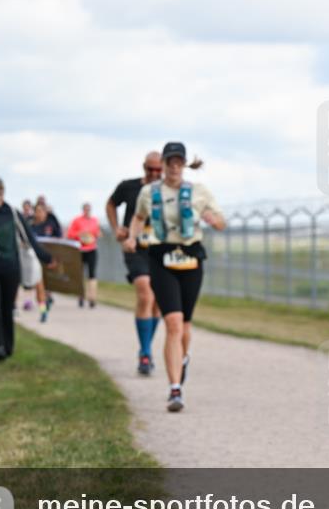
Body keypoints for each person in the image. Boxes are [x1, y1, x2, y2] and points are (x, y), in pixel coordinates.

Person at [124, 142, 224, 411]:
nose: (175, 167)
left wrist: (213, 219)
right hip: (161, 259)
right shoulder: (149, 192)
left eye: (180, 162)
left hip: (191, 259)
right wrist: (132, 237)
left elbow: (220, 220)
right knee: (173, 323)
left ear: (185, 164)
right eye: (171, 162)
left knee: (186, 327)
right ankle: (175, 389)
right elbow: (138, 217)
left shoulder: (199, 192)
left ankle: (183, 358)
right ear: (164, 164)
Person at [0, 177, 56, 362]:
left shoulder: (12, 213)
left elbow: (29, 238)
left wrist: (47, 258)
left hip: (11, 266)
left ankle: (7, 346)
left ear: (3, 192)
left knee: (7, 308)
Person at [107, 151, 164, 375]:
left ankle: (145, 346)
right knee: (145, 294)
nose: (154, 173)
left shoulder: (168, 190)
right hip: (135, 248)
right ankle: (146, 352)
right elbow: (111, 204)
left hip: (160, 250)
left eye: (158, 169)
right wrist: (116, 229)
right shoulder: (129, 187)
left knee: (158, 301)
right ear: (143, 167)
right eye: (150, 169)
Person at [29, 202, 62, 322]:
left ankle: (47, 299)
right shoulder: (30, 226)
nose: (39, 214)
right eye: (37, 211)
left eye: (42, 211)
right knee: (39, 286)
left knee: (48, 286)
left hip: (50, 261)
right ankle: (43, 311)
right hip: (36, 260)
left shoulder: (51, 224)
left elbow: (60, 240)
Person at [67, 202, 102, 308]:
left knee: (92, 274)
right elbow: (70, 234)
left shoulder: (95, 220)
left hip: (92, 249)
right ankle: (81, 296)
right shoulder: (77, 220)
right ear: (83, 210)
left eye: (89, 209)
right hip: (80, 250)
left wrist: (96, 235)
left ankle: (92, 298)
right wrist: (79, 234)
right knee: (80, 274)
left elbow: (98, 233)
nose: (87, 211)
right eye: (86, 209)